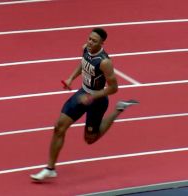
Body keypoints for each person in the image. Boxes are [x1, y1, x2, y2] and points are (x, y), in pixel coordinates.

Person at [30, 27, 138, 181]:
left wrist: (93, 96)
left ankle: (118, 109)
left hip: (98, 100)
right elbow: (83, 64)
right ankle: (50, 169)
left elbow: (114, 88)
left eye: (94, 41)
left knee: (90, 139)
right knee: (59, 127)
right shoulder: (86, 49)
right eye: (89, 38)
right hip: (83, 93)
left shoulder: (105, 62)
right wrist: (70, 78)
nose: (89, 42)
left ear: (102, 43)